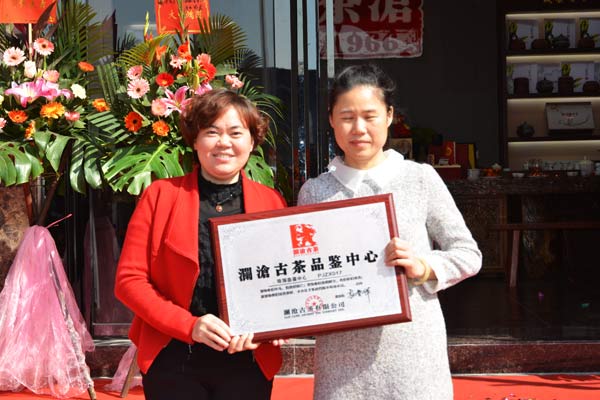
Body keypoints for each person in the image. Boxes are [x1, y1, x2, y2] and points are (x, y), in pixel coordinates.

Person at [297, 64, 482, 399]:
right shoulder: (314, 192)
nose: (359, 128)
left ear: (389, 116)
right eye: (346, 117)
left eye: (370, 116)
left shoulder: (419, 178)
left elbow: (468, 254)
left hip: (413, 353)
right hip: (340, 361)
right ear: (331, 120)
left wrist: (423, 266)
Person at [114, 89, 286, 400]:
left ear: (252, 142)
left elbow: (284, 281)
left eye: (236, 133)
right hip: (174, 355)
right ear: (195, 140)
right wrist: (190, 325)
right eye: (212, 132)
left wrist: (271, 327)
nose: (224, 142)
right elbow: (129, 281)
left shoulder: (270, 201)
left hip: (248, 358)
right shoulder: (160, 196)